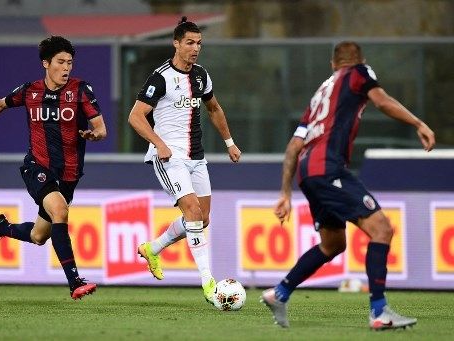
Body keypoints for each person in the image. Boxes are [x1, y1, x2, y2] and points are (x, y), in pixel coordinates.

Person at [261, 41, 435, 329]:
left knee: (333, 244)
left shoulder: (320, 94)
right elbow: (381, 100)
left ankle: (279, 293)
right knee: (381, 229)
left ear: (332, 64)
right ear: (359, 61)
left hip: (308, 172)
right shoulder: (359, 73)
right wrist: (418, 123)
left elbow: (293, 146)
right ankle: (379, 312)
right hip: (328, 168)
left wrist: (285, 193)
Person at [0, 36, 107, 300]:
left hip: (69, 174)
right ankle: (75, 282)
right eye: (60, 62)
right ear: (46, 63)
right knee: (60, 210)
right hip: (38, 166)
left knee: (38, 235)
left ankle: (3, 228)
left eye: (70, 62)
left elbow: (101, 128)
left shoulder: (80, 90)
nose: (66, 68)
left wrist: (94, 135)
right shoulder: (30, 91)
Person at [128, 16, 242, 304]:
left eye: (199, 43)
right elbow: (135, 116)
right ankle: (208, 283)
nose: (195, 48)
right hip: (169, 157)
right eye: (189, 42)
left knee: (202, 218)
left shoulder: (201, 75)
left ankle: (152, 248)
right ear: (176, 43)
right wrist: (159, 143)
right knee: (191, 211)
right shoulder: (160, 78)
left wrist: (230, 143)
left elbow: (214, 109)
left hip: (196, 157)